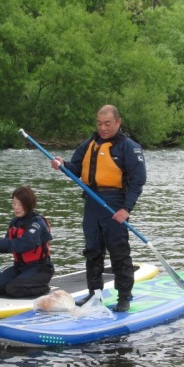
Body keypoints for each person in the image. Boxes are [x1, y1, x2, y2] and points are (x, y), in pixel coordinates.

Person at [51, 104, 146, 312]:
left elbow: (138, 181)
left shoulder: (128, 147)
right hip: (92, 203)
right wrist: (62, 164)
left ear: (118, 123)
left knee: (118, 252)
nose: (102, 128)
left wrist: (126, 209)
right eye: (99, 123)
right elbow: (74, 167)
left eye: (107, 124)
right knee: (93, 251)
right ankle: (95, 295)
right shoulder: (89, 144)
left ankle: (123, 296)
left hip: (115, 204)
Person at [0, 186, 55, 298]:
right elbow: (8, 243)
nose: (16, 207)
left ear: (28, 204)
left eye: (20, 204)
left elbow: (24, 244)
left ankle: (43, 287)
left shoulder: (37, 223)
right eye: (14, 203)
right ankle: (19, 284)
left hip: (40, 269)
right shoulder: (14, 222)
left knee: (13, 289)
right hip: (20, 267)